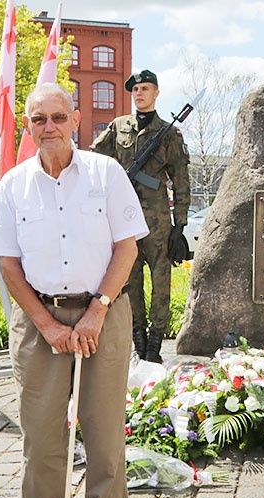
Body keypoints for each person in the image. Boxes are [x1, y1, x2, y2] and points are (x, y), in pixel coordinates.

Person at [0, 82, 148, 498]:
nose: (49, 127)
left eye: (57, 117)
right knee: (41, 431)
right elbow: (9, 265)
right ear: (29, 126)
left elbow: (128, 248)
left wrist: (96, 310)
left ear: (76, 120)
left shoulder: (106, 173)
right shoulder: (13, 185)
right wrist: (47, 325)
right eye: (39, 119)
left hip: (104, 311)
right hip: (39, 319)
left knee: (102, 428)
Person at [90, 69, 191, 363]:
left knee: (161, 282)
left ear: (156, 93)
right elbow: (94, 159)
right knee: (129, 280)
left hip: (157, 220)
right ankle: (138, 341)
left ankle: (155, 345)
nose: (139, 93)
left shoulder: (169, 132)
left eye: (145, 88)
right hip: (123, 218)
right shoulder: (118, 126)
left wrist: (179, 224)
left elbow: (181, 179)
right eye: (135, 90)